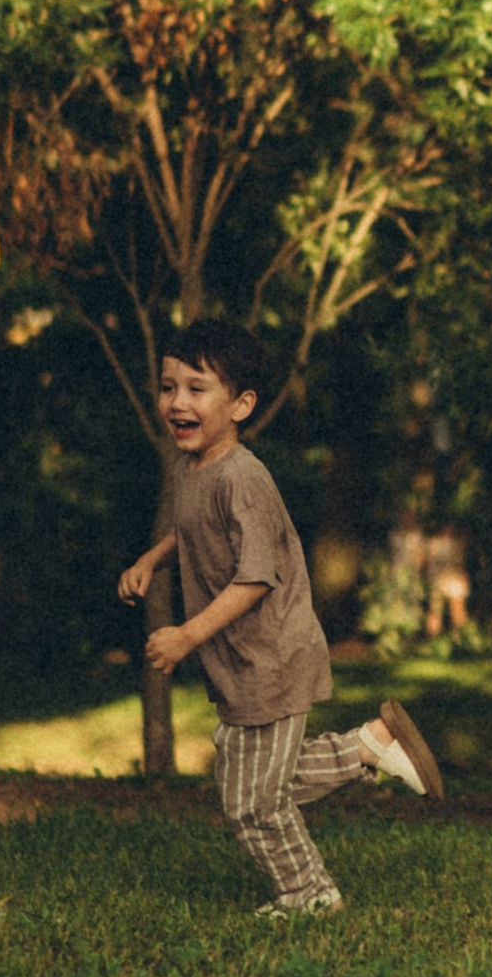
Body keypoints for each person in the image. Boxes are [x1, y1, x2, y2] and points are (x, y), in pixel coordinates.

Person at [117, 321, 446, 919]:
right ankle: (370, 745)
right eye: (168, 387)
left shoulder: (243, 477)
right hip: (243, 662)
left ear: (241, 405)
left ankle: (309, 893)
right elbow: (192, 530)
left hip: (270, 657)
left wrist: (187, 635)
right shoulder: (196, 468)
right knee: (259, 781)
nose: (177, 402)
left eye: (197, 388)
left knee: (251, 802)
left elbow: (255, 577)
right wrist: (153, 559)